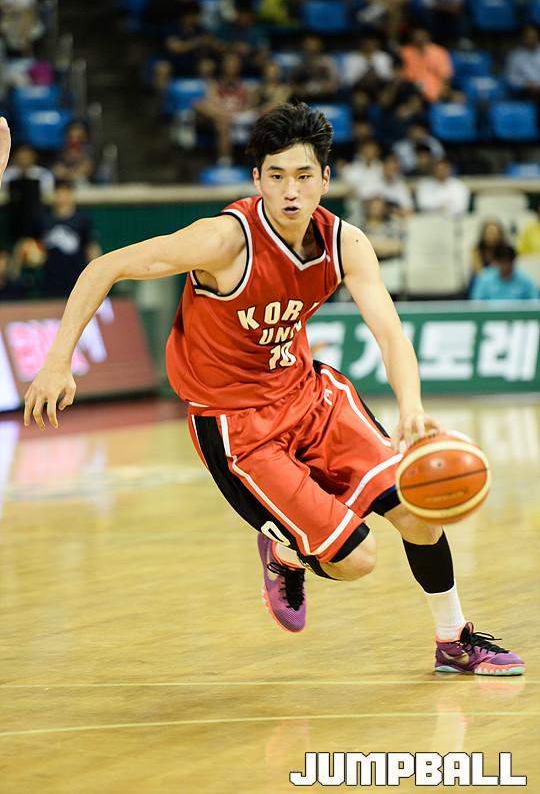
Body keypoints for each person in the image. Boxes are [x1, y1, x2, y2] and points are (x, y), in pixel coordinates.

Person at [18, 106, 523, 675]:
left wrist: (412, 407)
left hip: (311, 397)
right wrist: (57, 360)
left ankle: (454, 640)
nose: (290, 191)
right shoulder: (222, 241)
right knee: (358, 559)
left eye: (303, 176)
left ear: (325, 179)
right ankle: (285, 552)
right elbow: (104, 267)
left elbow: (389, 330)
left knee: (418, 512)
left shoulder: (344, 242)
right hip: (238, 427)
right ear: (257, 178)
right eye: (277, 176)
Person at [31, 179, 101, 298]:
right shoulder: (43, 220)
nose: (63, 197)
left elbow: (91, 247)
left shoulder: (82, 220)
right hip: (50, 278)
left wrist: (96, 273)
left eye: (66, 193)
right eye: (60, 193)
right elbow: (32, 245)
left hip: (76, 277)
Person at [470, 245, 538, 300]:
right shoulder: (484, 278)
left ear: (513, 262)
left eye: (508, 263)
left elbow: (535, 301)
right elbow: (476, 302)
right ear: (496, 262)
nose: (506, 267)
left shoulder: (524, 279)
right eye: (502, 263)